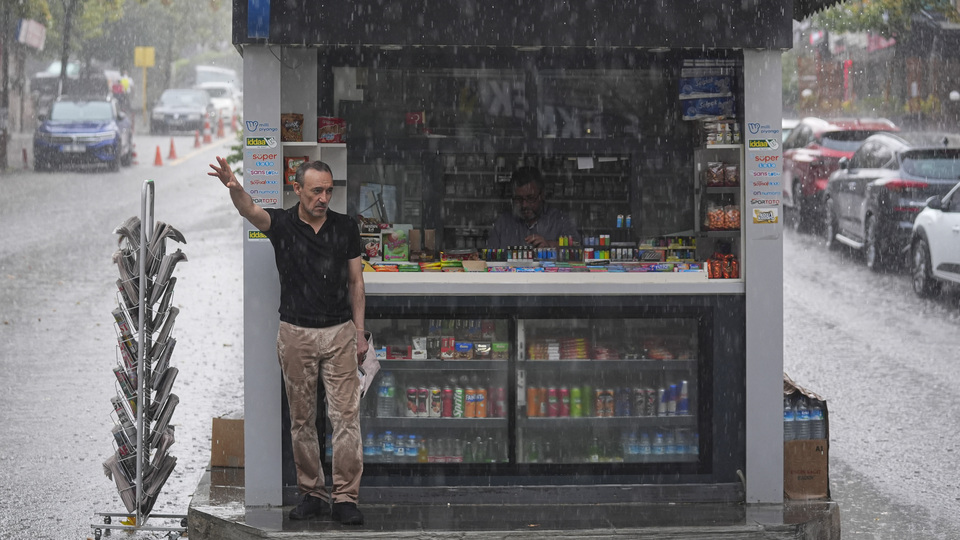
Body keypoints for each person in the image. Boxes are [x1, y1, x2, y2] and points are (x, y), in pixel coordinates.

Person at [208, 157, 368, 525]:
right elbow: (250, 210)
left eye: (329, 190)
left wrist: (359, 333)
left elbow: (357, 282)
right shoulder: (282, 223)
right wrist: (235, 187)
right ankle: (312, 493)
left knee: (346, 417)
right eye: (316, 190)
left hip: (340, 331)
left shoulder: (345, 227)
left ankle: (345, 498)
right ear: (297, 189)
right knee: (302, 420)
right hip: (295, 333)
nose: (324, 198)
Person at [486, 166, 580, 249]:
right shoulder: (503, 223)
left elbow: (577, 247)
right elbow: (490, 256)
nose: (524, 205)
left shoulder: (560, 221)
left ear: (542, 195)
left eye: (530, 198)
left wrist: (550, 245)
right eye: (518, 199)